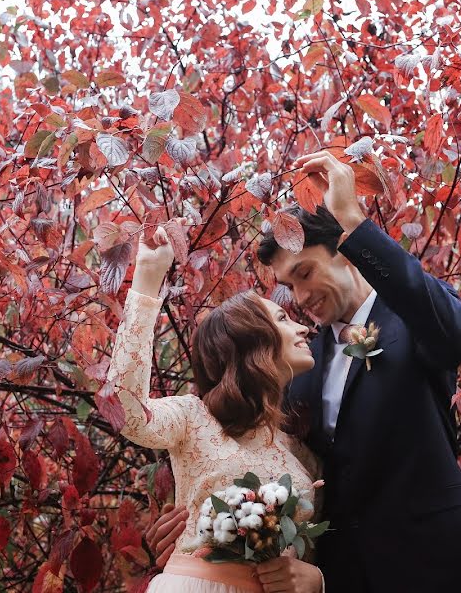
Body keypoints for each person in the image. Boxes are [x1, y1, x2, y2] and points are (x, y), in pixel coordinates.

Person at [152, 151, 461, 592]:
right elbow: (254, 450)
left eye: (304, 272)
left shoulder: (414, 319)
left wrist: (354, 222)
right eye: (288, 285)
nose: (299, 296)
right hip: (345, 579)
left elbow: (457, 338)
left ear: (347, 253)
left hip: (439, 569)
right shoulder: (301, 365)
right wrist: (199, 515)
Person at [109, 223, 325, 593]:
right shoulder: (193, 417)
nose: (303, 328)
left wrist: (316, 581)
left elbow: (308, 550)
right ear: (252, 339)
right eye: (283, 319)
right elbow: (127, 413)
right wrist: (146, 279)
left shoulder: (300, 451)